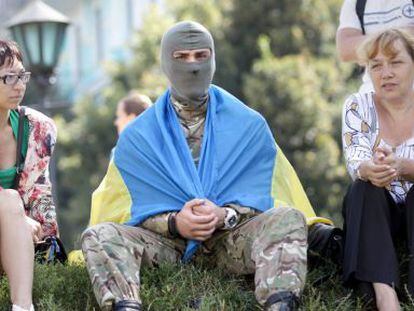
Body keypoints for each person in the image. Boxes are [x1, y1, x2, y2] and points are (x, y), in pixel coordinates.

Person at [82, 21, 332, 311]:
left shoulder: (247, 124)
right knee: (99, 236)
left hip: (232, 240)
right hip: (167, 248)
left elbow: (267, 196)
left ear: (213, 59)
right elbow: (127, 209)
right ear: (166, 61)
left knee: (288, 217)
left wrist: (223, 215)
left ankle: (279, 305)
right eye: (182, 58)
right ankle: (126, 306)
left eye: (201, 56)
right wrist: (176, 223)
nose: (193, 67)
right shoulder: (138, 137)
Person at [342, 28, 414, 310]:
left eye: (396, 62)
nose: (386, 73)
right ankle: (385, 294)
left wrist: (403, 167)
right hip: (376, 214)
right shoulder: (356, 105)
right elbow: (355, 158)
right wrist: (371, 168)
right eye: (376, 65)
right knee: (363, 187)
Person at [0, 40, 58, 311]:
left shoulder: (37, 128)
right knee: (9, 199)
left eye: (21, 75)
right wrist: (17, 216)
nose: (19, 84)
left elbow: (40, 199)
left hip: (17, 242)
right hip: (12, 222)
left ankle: (23, 307)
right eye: (8, 77)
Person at [336, 0, 414, 93]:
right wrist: (401, 37)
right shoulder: (356, 2)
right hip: (374, 89)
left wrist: (367, 45)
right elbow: (345, 50)